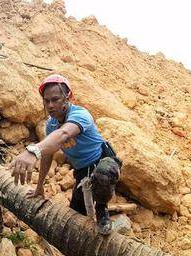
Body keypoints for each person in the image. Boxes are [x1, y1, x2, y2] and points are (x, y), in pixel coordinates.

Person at [9, 74, 119, 235]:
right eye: (46, 101)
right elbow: (48, 156)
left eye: (55, 99)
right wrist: (39, 187)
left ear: (68, 97)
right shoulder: (51, 125)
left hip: (103, 160)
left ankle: (102, 208)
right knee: (76, 210)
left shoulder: (81, 115)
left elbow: (64, 134)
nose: (50, 105)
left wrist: (33, 150)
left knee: (103, 173)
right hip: (83, 170)